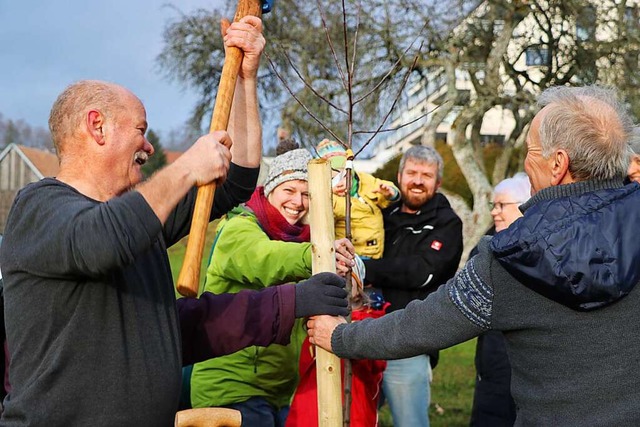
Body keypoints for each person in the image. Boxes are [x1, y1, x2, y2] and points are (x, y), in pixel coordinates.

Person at [0, 17, 349, 426]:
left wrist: (244, 79)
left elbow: (236, 179)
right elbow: (100, 241)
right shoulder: (38, 209)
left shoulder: (138, 227)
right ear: (97, 126)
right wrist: (186, 167)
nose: (149, 145)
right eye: (140, 130)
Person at [307, 85, 640, 426]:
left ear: (558, 164)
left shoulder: (513, 257)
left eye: (530, 151)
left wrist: (340, 336)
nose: (525, 164)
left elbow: (424, 325)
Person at [190, 143, 355, 427]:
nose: (298, 201)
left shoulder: (301, 238)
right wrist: (318, 254)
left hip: (279, 393)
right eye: (288, 190)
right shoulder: (239, 228)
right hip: (231, 388)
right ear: (269, 190)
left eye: (306, 194)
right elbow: (264, 259)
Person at [363, 145, 463, 427]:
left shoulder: (447, 224)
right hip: (365, 335)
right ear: (399, 176)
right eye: (412, 173)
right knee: (356, 418)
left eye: (426, 175)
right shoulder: (382, 216)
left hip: (409, 342)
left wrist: (367, 268)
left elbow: (422, 272)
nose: (418, 180)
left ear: (438, 183)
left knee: (410, 423)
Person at [470, 172, 530, 427]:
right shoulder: (486, 245)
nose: (495, 212)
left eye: (502, 205)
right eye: (493, 205)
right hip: (493, 356)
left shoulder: (541, 245)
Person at [316, 138, 400, 260]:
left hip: (377, 252)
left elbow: (385, 192)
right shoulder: (329, 199)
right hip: (351, 256)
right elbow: (323, 220)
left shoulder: (365, 181)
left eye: (344, 176)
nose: (339, 183)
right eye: (332, 179)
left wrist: (390, 193)